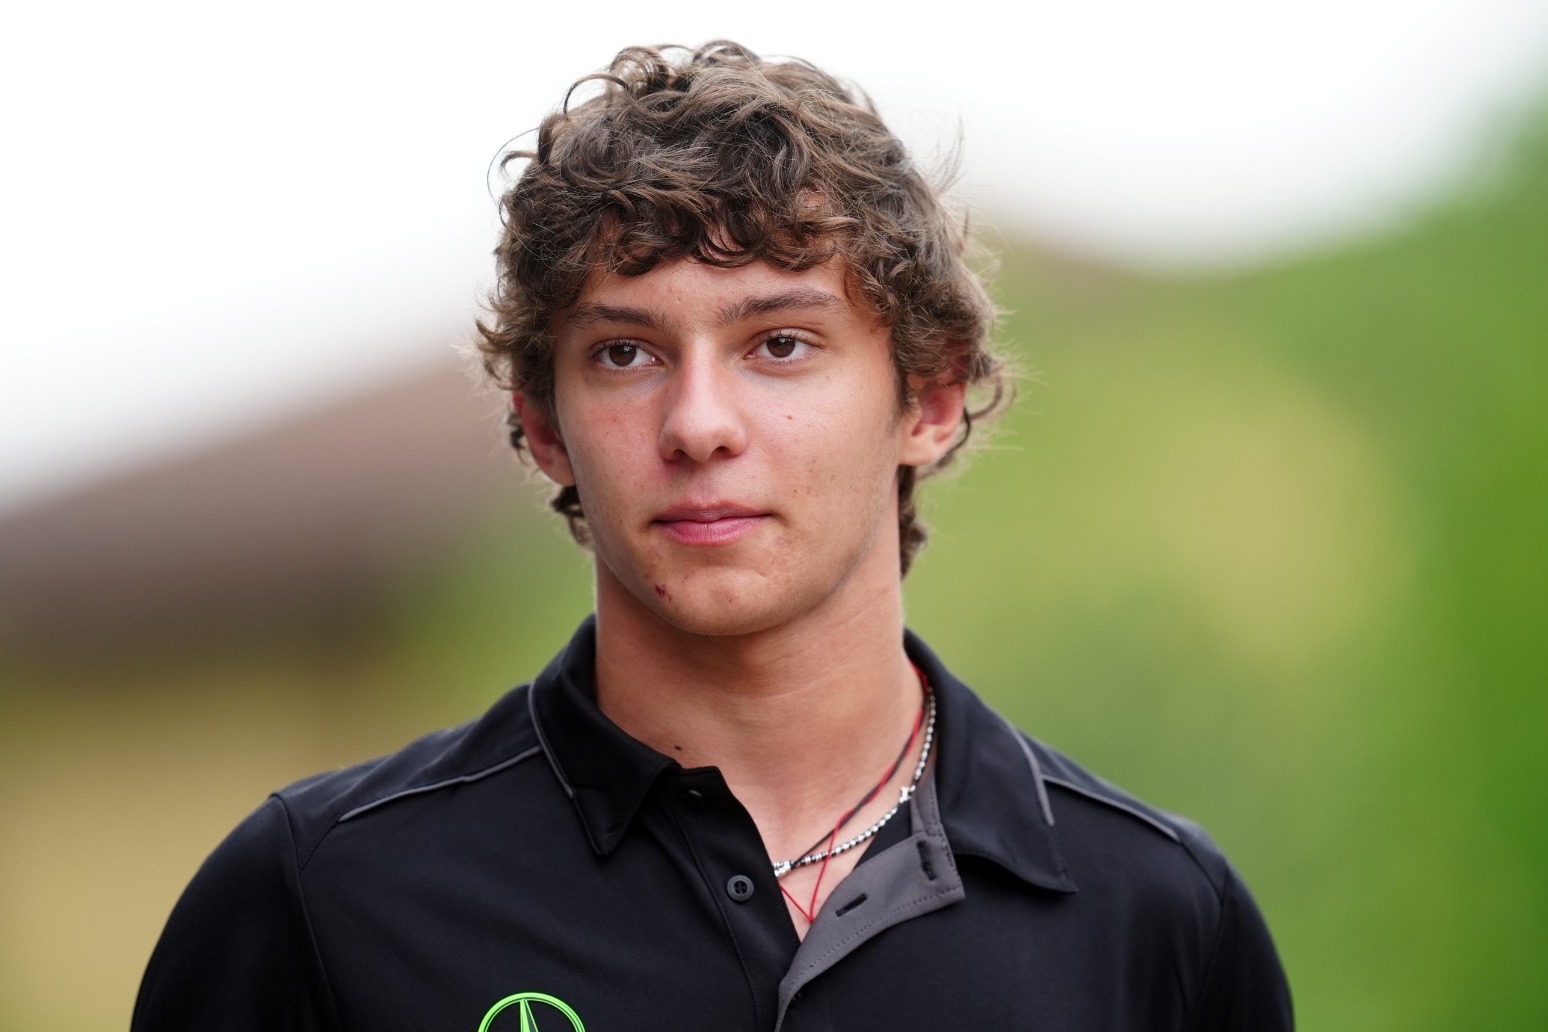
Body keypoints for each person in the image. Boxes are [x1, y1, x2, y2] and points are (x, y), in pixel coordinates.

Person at [133, 41, 1292, 1031]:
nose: (697, 424)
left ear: (930, 398)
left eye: (779, 344)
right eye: (624, 353)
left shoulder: (1158, 918)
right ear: (544, 424)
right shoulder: (322, 898)